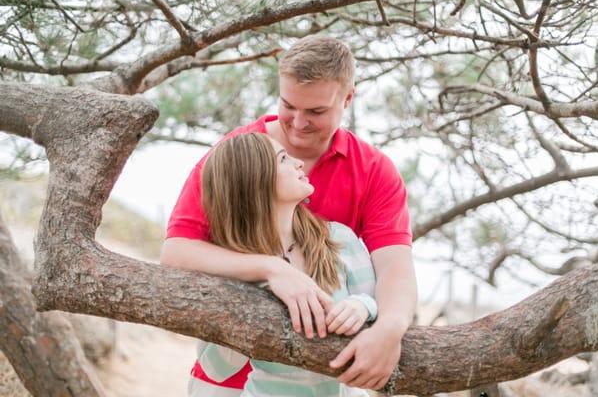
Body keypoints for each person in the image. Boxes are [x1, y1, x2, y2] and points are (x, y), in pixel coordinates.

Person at [161, 35, 417, 393]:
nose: (297, 123)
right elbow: (176, 251)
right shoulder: (237, 157)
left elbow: (394, 269)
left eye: (316, 111)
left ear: (347, 99)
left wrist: (389, 328)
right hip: (228, 383)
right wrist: (272, 268)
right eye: (288, 105)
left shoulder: (373, 171)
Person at [191, 132, 379, 396]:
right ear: (255, 182)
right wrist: (244, 307)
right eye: (282, 159)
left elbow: (378, 307)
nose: (299, 163)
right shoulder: (233, 265)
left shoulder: (338, 239)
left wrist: (362, 306)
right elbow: (215, 369)